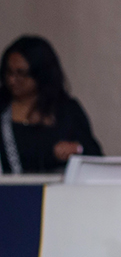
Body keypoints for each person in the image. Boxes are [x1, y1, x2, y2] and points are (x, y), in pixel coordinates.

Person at [0, 35, 102, 174]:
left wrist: (76, 148)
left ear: (40, 73)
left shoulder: (67, 110)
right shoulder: (3, 108)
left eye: (21, 73)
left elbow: (96, 156)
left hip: (58, 186)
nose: (12, 80)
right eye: (9, 72)